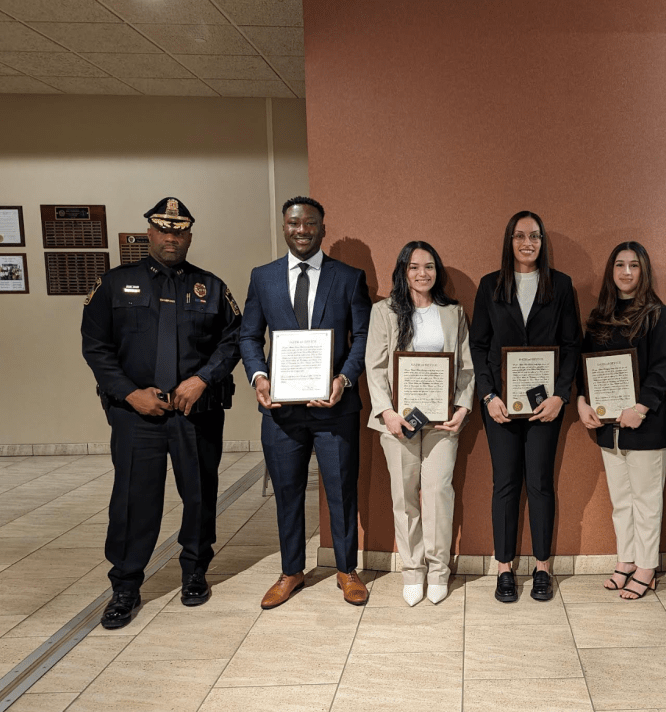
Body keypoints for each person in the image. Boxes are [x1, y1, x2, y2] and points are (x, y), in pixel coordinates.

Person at [82, 197, 241, 629]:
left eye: (180, 231)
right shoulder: (115, 284)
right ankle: (126, 586)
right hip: (138, 415)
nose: (172, 238)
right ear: (150, 232)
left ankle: (194, 572)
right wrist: (130, 394)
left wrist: (202, 379)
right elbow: (96, 347)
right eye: (163, 230)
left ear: (189, 235)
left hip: (196, 412)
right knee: (135, 500)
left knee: (200, 494)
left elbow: (232, 340)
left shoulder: (211, 286)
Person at [240, 196, 372, 608]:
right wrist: (259, 377)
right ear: (284, 227)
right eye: (294, 223)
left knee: (341, 491)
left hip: (334, 409)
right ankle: (291, 571)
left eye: (310, 223)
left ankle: (347, 570)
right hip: (281, 413)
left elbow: (364, 336)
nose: (302, 230)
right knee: (287, 492)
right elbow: (248, 336)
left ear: (322, 229)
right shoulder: (263, 278)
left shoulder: (349, 277)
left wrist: (345, 379)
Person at [470, 210, 581, 603]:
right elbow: (479, 346)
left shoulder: (561, 285)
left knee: (539, 483)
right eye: (519, 236)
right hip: (500, 404)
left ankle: (542, 568)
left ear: (542, 241)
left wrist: (561, 396)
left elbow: (571, 346)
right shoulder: (489, 286)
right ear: (509, 241)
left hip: (546, 406)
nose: (527, 243)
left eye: (534, 236)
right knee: (505, 483)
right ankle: (504, 567)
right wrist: (488, 396)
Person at [365, 241, 475, 606]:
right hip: (398, 421)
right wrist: (387, 413)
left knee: (438, 492)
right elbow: (375, 367)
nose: (422, 273)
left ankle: (439, 569)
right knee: (404, 495)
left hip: (442, 421)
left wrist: (462, 408)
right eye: (414, 267)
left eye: (429, 266)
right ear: (403, 271)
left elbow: (465, 366)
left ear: (437, 271)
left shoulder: (452, 312)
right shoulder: (384, 311)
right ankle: (413, 571)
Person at [577, 242, 666, 600]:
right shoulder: (599, 316)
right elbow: (584, 366)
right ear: (611, 271)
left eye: (634, 265)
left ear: (643, 271)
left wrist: (641, 408)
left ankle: (647, 567)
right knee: (621, 500)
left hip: (645, 425)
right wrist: (583, 400)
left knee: (646, 500)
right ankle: (627, 560)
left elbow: (663, 368)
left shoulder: (658, 315)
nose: (627, 272)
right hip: (608, 428)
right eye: (620, 265)